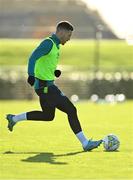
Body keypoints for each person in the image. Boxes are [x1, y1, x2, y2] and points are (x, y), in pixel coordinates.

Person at [6, 21, 102, 151]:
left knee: (48, 116)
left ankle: (14, 118)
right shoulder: (48, 43)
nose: (69, 39)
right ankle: (85, 143)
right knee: (71, 110)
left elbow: (44, 63)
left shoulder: (56, 46)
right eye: (68, 35)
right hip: (45, 87)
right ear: (61, 32)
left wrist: (53, 72)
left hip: (46, 86)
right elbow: (32, 58)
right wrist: (30, 75)